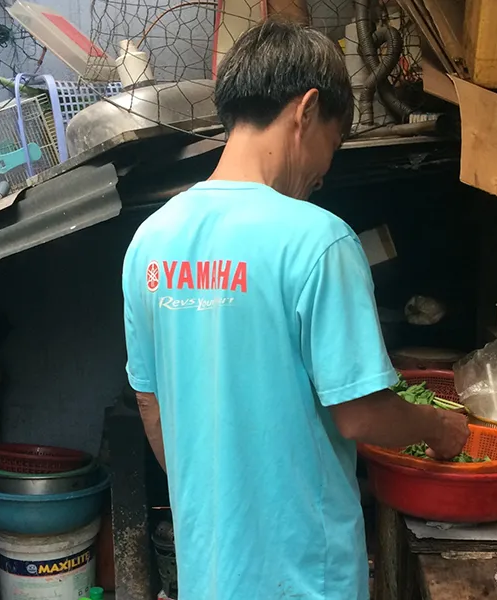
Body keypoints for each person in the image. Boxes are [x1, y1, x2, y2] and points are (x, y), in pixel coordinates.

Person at [122, 20, 470, 600]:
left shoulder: (149, 241)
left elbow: (149, 401)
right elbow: (360, 415)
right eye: (333, 143)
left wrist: (211, 507)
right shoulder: (320, 239)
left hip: (209, 572)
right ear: (306, 110)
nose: (324, 172)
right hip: (306, 577)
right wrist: (440, 428)